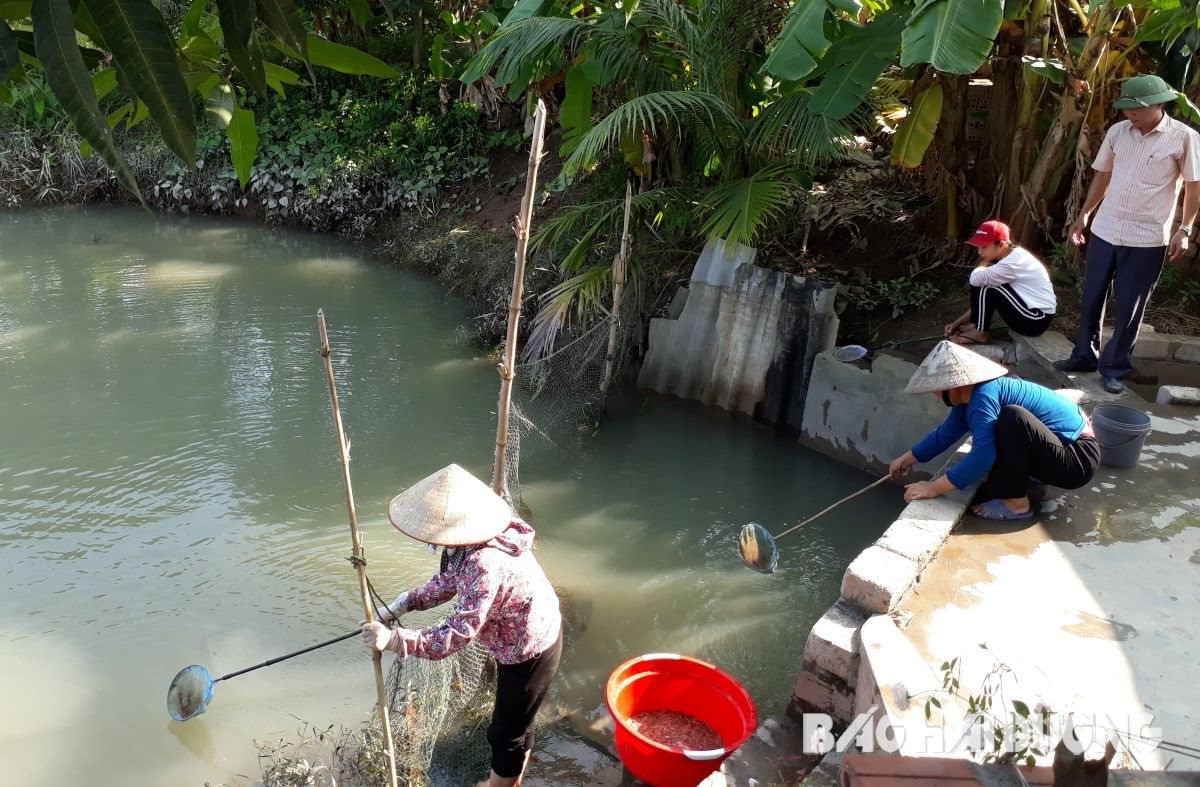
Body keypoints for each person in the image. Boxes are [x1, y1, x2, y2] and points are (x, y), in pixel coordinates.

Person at [360, 464, 562, 787]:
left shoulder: (484, 564)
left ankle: (499, 786)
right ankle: (511, 781)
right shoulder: (471, 542)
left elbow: (453, 637)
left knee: (505, 733)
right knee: (518, 723)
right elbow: (447, 581)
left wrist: (395, 640)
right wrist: (402, 604)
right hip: (524, 636)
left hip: (532, 647)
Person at [1058, 74, 1200, 394]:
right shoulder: (1118, 132)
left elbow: (1194, 187)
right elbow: (1103, 175)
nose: (1129, 115)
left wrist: (1185, 228)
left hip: (1147, 237)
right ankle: (1084, 356)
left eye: (1136, 109)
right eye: (1126, 109)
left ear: (1159, 105)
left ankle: (1115, 367)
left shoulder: (1184, 138)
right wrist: (1084, 215)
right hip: (1106, 229)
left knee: (1130, 306)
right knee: (1092, 295)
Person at [889, 341, 1100, 521]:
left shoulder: (984, 395)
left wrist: (934, 488)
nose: (933, 393)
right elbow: (945, 434)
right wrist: (908, 458)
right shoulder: (970, 398)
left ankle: (1017, 504)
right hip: (1060, 450)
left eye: (936, 387)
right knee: (1002, 431)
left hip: (1077, 461)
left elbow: (982, 455)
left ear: (953, 385)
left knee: (1012, 418)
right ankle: (1026, 478)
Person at [944, 220, 1056, 346]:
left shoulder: (1010, 264)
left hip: (1035, 320)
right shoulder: (1010, 256)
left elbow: (975, 280)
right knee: (986, 283)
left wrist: (983, 264)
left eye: (984, 247)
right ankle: (976, 326)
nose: (979, 252)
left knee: (986, 285)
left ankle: (980, 332)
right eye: (979, 247)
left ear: (1002, 245)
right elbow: (982, 301)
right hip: (1033, 315)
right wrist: (957, 323)